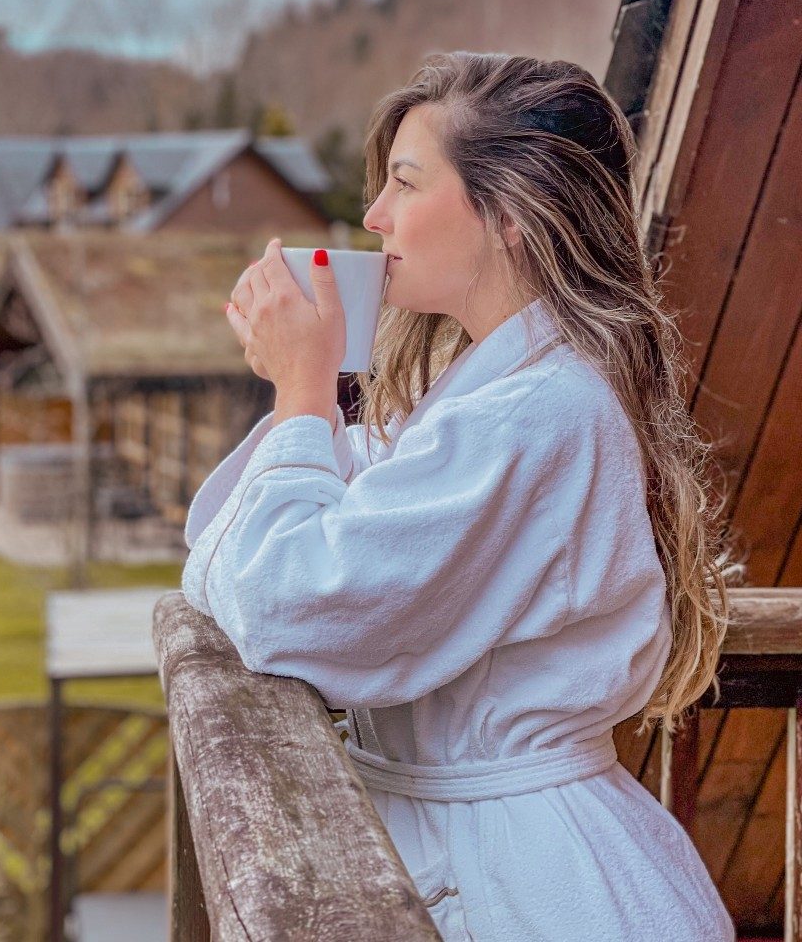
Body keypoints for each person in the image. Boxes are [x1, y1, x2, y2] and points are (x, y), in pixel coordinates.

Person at [179, 51, 740, 940]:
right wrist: (310, 398)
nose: (375, 216)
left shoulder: (536, 414)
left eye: (405, 182)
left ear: (510, 214)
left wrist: (302, 390)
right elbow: (252, 553)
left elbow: (287, 604)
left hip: (529, 886)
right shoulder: (497, 395)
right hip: (497, 848)